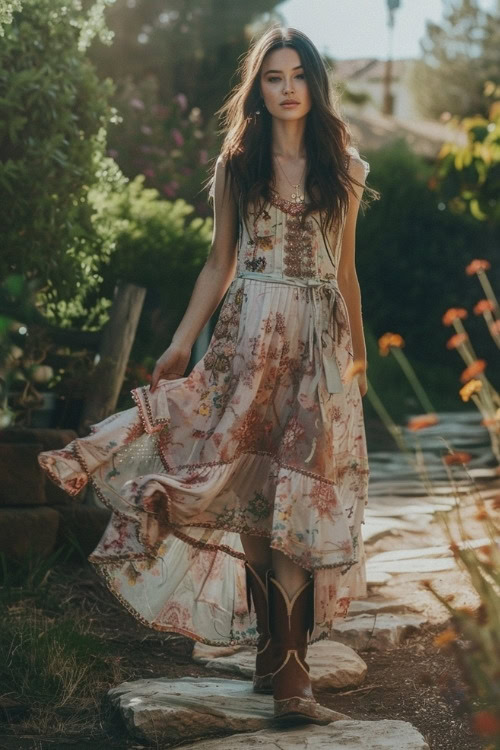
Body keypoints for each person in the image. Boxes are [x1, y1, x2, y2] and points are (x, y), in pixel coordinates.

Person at [38, 25, 378, 727]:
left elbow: (344, 272)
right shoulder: (238, 164)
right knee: (251, 485)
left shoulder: (345, 169)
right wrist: (180, 340)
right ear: (258, 88)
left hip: (318, 345)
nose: (286, 89)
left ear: (315, 84)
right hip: (247, 338)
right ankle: (282, 667)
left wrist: (359, 356)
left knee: (301, 496)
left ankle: (287, 666)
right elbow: (218, 263)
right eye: (273, 77)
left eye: (297, 76)